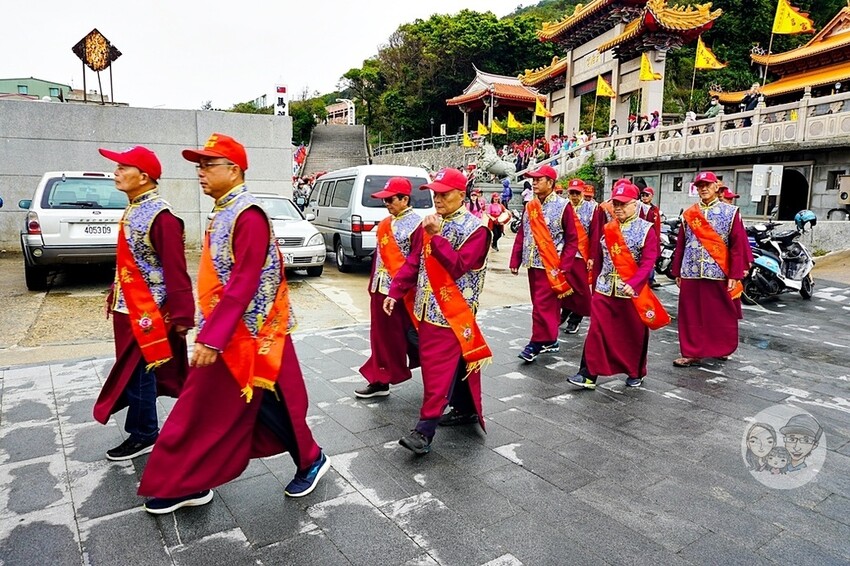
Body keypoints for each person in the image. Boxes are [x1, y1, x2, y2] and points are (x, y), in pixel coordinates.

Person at [139, 133, 327, 514]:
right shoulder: (224, 211)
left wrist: (212, 337)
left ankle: (308, 460)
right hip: (231, 333)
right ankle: (193, 481)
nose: (200, 173)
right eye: (199, 165)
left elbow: (245, 279)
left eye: (209, 165)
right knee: (250, 406)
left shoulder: (249, 214)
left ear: (235, 169)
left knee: (222, 406)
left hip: (256, 334)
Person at [93, 146, 194, 462]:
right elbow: (131, 261)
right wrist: (115, 292)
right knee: (135, 371)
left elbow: (176, 271)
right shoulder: (133, 208)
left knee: (139, 372)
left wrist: (181, 314)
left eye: (123, 167)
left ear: (144, 176)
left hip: (149, 313)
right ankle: (142, 429)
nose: (116, 172)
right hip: (127, 308)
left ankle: (145, 433)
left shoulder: (162, 218)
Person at [385, 167, 492, 455]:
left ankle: (424, 430)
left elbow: (458, 267)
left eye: (444, 194)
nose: (438, 199)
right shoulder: (430, 223)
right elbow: (414, 263)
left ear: (462, 194)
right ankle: (465, 408)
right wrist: (395, 291)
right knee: (450, 365)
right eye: (435, 193)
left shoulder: (477, 230)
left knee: (435, 369)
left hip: (451, 315)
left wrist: (437, 236)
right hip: (424, 310)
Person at [568, 182, 665, 389]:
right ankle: (587, 374)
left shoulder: (646, 229)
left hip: (631, 292)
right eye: (616, 204)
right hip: (604, 289)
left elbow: (649, 260)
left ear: (635, 204)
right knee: (596, 330)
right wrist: (594, 286)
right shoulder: (608, 228)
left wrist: (635, 283)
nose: (618, 208)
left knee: (633, 334)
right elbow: (599, 259)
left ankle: (635, 371)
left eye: (623, 204)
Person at [671, 170, 749, 368]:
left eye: (707, 185)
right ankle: (691, 352)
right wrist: (677, 270)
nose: (703, 188)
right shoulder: (689, 214)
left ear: (716, 187)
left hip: (718, 271)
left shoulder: (731, 213)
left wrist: (735, 273)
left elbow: (737, 245)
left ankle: (721, 348)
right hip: (691, 270)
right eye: (699, 185)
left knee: (720, 313)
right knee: (690, 314)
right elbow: (681, 244)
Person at [355, 178, 422, 399]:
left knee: (413, 337)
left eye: (391, 199)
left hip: (406, 292)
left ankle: (442, 374)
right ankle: (380, 378)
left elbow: (418, 261)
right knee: (381, 337)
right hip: (381, 290)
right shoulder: (385, 223)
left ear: (405, 199)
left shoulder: (418, 224)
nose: (387, 204)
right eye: (385, 200)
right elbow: (378, 258)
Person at [510, 165, 579, 362]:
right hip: (533, 264)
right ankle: (550, 340)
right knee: (541, 305)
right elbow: (523, 233)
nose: (534, 183)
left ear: (550, 183)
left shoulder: (563, 205)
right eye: (533, 179)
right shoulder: (530, 205)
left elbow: (572, 239)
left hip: (551, 265)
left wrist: (564, 266)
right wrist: (516, 258)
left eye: (538, 179)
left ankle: (536, 342)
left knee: (542, 306)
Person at [559, 178, 602, 335]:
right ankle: (566, 311)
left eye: (577, 193)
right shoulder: (564, 206)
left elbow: (595, 234)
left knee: (581, 289)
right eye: (572, 193)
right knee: (565, 286)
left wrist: (592, 256)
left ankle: (575, 318)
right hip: (565, 253)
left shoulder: (592, 208)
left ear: (583, 192)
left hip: (582, 255)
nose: (574, 196)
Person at [639, 187, 662, 289]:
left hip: (652, 236)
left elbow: (657, 226)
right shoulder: (637, 206)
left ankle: (651, 279)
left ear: (652, 196)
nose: (644, 197)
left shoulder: (655, 209)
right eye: (643, 195)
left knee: (651, 258)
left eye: (647, 195)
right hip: (640, 236)